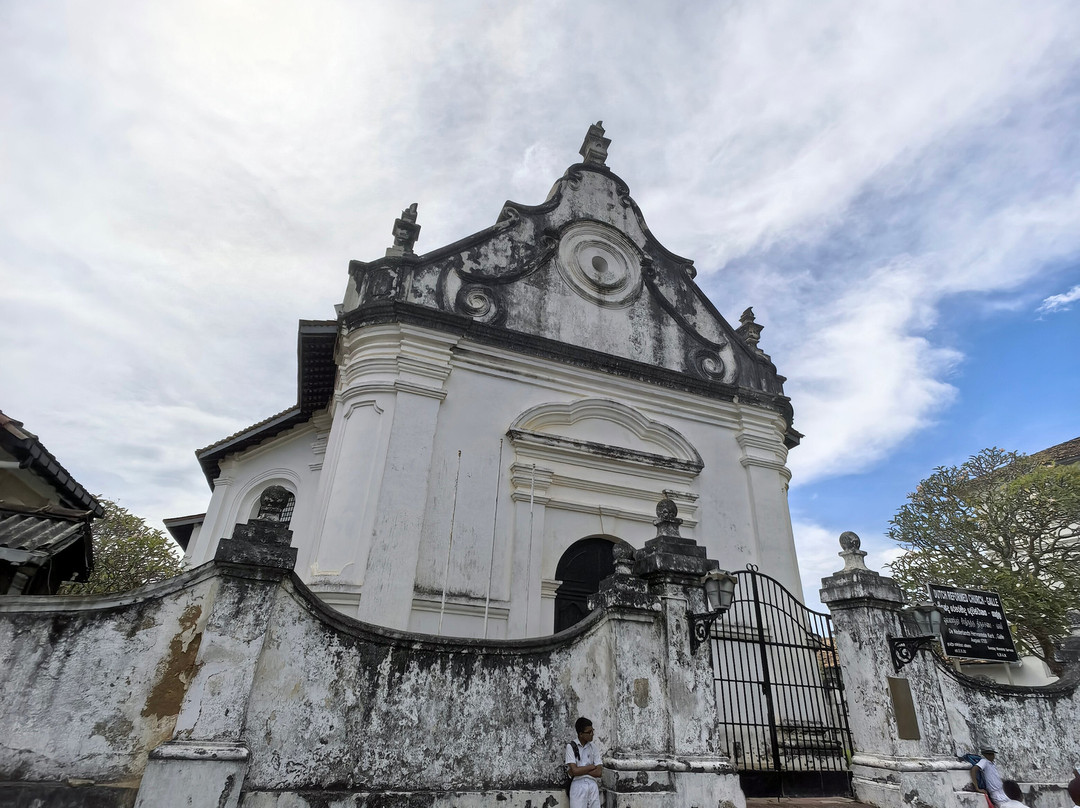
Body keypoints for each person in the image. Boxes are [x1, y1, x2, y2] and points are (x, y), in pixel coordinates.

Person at [565, 716, 603, 808]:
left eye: (592, 730)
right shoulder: (571, 747)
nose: (592, 734)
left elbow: (599, 772)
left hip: (592, 784)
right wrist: (591, 767)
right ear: (581, 734)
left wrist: (579, 770)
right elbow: (575, 771)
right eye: (589, 732)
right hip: (578, 785)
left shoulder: (593, 747)